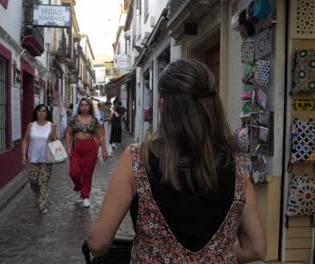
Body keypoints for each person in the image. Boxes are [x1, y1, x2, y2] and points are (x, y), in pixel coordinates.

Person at [88, 59, 266, 263]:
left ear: (163, 105)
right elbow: (256, 248)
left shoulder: (137, 159)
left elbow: (98, 243)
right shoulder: (235, 168)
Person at [66, 98, 108, 208]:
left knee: (87, 174)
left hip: (90, 148)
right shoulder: (74, 119)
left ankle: (85, 196)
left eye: (86, 105)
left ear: (89, 107)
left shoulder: (94, 120)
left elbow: (100, 136)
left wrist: (104, 150)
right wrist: (68, 147)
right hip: (76, 148)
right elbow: (69, 134)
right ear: (79, 107)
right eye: (82, 105)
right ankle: (78, 186)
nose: (84, 107)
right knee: (74, 172)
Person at [21, 104, 57, 214]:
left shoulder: (51, 125)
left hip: (46, 158)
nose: (41, 113)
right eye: (39, 111)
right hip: (33, 158)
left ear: (47, 113)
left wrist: (53, 135)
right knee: (33, 180)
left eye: (44, 111)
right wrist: (23, 155)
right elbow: (26, 140)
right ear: (36, 113)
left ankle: (42, 204)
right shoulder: (31, 125)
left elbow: (55, 141)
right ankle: (39, 193)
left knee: (44, 181)